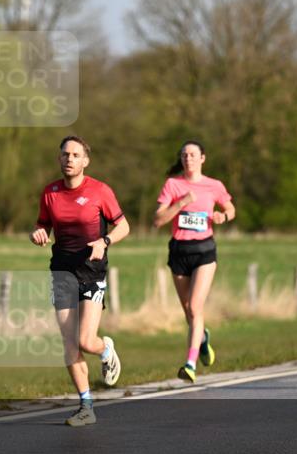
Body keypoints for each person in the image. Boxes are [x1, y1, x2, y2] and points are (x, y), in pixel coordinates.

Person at [31, 136, 129, 427]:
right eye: (65, 154)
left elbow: (124, 225)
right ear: (59, 158)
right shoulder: (50, 193)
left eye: (75, 155)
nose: (69, 159)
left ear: (85, 160)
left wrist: (105, 241)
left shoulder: (100, 191)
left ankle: (106, 349)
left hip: (91, 270)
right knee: (69, 342)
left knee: (86, 340)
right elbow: (42, 223)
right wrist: (37, 233)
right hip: (61, 271)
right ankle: (86, 405)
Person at [153, 141, 235, 383]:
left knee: (196, 307)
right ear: (181, 159)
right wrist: (180, 203)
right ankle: (202, 338)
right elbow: (157, 220)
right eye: (184, 155)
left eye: (193, 154)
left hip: (204, 251)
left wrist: (223, 215)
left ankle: (190, 364)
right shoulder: (173, 185)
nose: (188, 158)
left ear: (202, 159)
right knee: (189, 310)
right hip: (179, 251)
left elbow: (231, 208)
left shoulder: (214, 185)